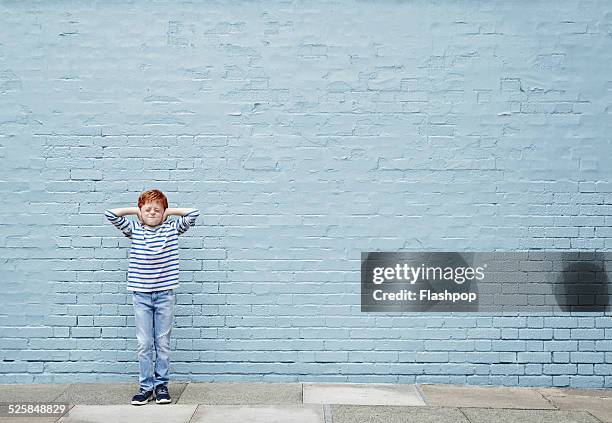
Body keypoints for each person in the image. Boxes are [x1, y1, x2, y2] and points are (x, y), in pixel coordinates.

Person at [104, 189, 199, 405]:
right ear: (140, 212)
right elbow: (111, 214)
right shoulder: (134, 229)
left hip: (165, 294)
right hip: (142, 295)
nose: (153, 212)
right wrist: (137, 211)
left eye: (157, 209)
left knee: (162, 342)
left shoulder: (172, 229)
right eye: (148, 209)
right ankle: (146, 387)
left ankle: (161, 386)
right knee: (144, 343)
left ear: (164, 213)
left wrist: (168, 212)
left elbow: (193, 213)